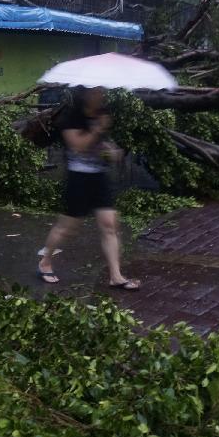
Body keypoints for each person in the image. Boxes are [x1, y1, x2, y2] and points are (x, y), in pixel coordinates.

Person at [37, 87, 139, 290]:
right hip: (78, 178)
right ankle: (45, 261)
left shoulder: (102, 113)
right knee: (68, 227)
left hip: (99, 177)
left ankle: (116, 276)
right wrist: (97, 130)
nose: (100, 95)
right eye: (95, 92)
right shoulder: (70, 117)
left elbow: (100, 146)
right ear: (84, 94)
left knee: (109, 225)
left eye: (101, 92)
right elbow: (78, 146)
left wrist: (112, 151)